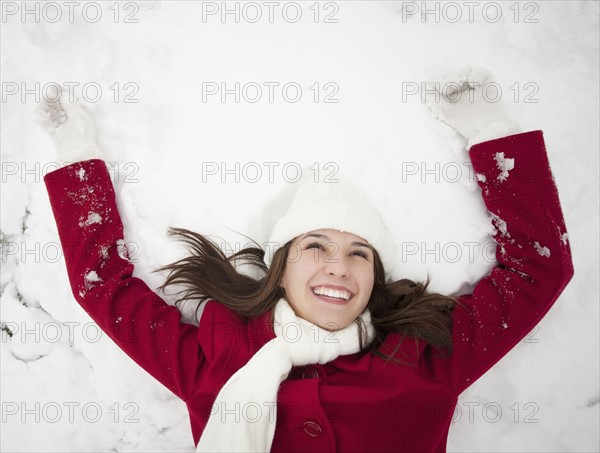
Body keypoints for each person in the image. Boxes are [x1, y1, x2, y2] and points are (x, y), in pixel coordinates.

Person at [38, 67, 573, 452]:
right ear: (281, 269)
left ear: (374, 278)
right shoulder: (218, 361)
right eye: (314, 247)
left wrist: (489, 130)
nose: (339, 266)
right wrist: (75, 154)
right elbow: (106, 288)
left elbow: (538, 268)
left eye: (359, 254)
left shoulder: (427, 355)